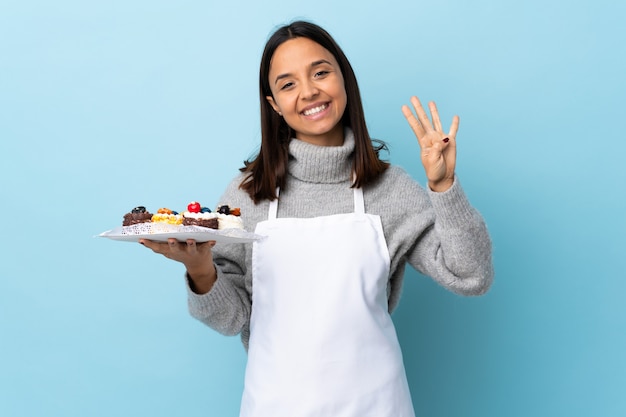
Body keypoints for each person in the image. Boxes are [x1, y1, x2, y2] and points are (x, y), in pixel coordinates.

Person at [141, 20, 493, 417]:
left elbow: (471, 276)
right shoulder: (249, 193)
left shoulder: (390, 189)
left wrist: (445, 188)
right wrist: (200, 269)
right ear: (273, 104)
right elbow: (231, 318)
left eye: (321, 72)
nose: (309, 92)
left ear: (344, 79)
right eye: (287, 84)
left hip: (376, 406)